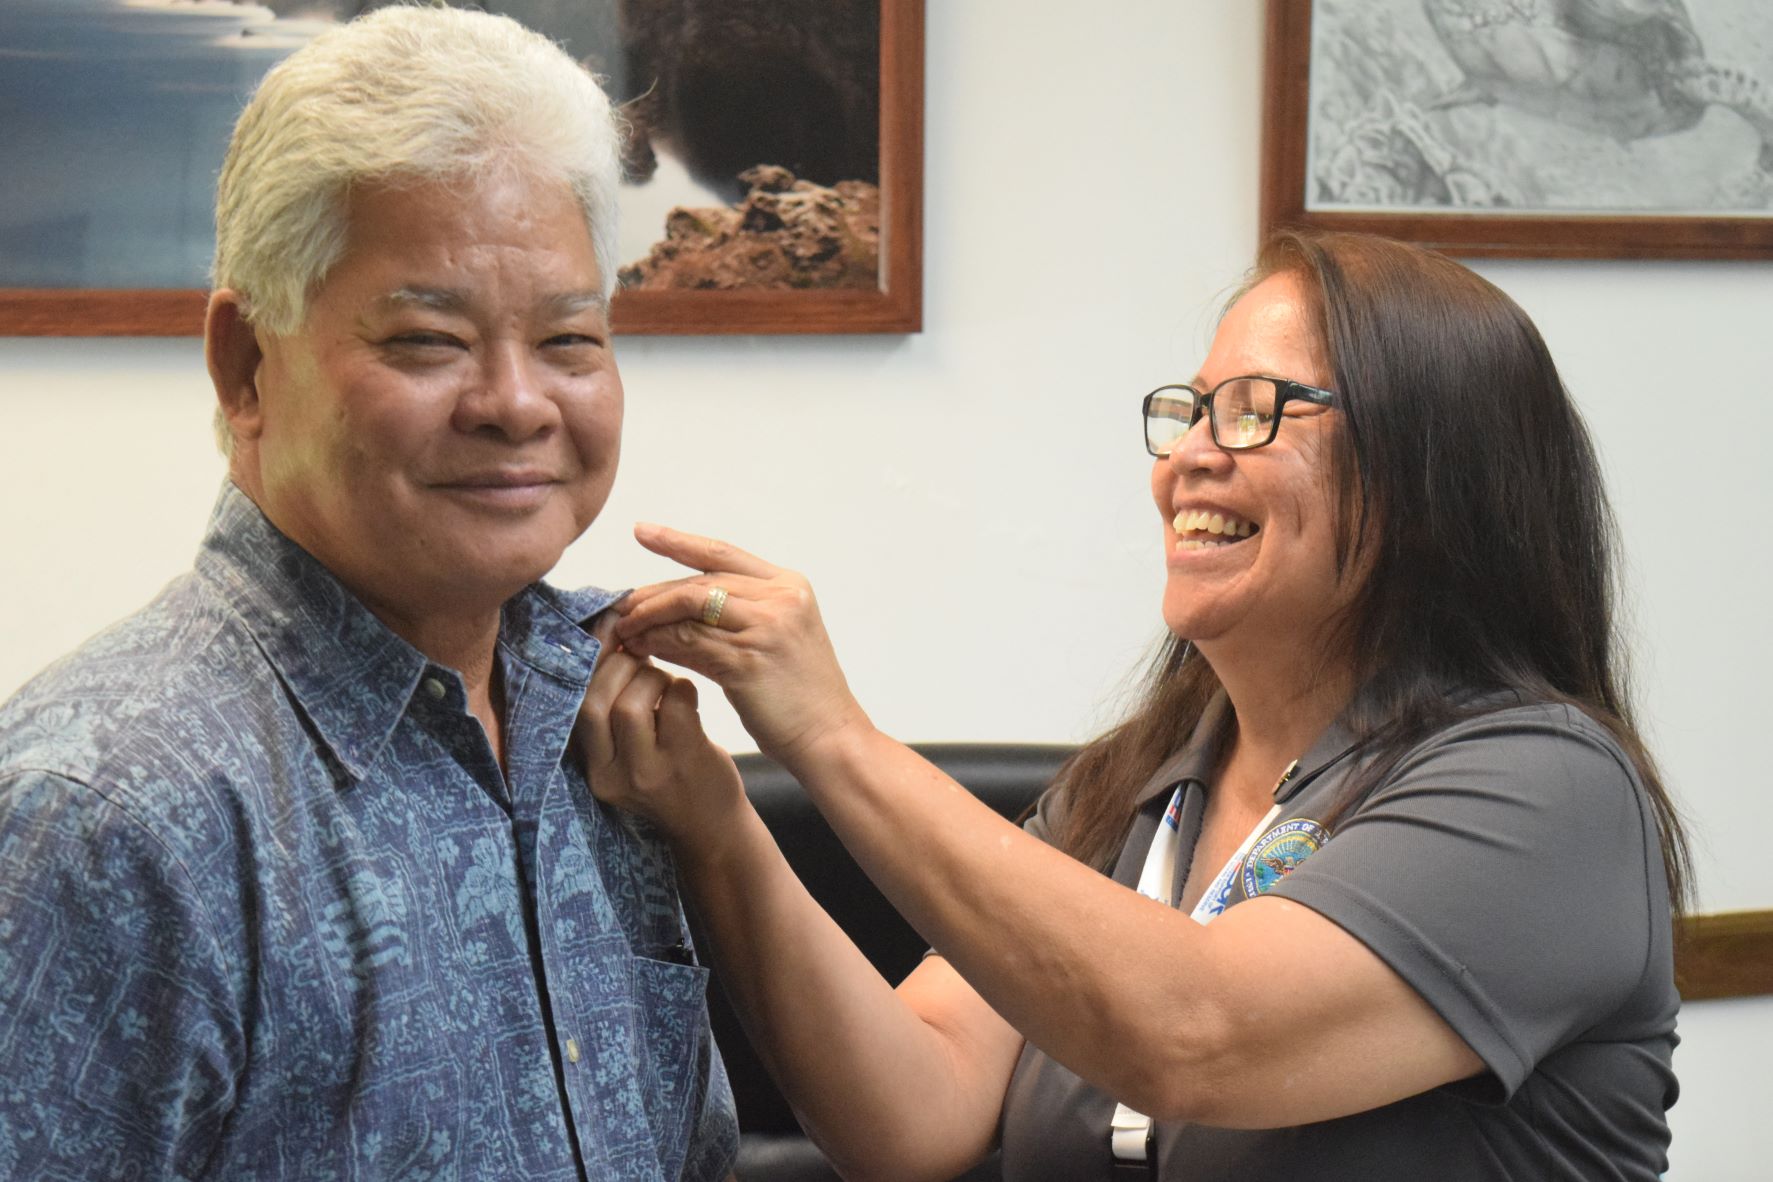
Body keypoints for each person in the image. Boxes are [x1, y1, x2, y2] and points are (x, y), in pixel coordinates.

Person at [581, 231, 1689, 1180]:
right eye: (1191, 411)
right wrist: (717, 822)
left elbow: (1199, 1033)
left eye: (1255, 412)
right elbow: (917, 1112)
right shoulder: (1129, 789)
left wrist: (832, 736)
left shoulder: (1549, 793)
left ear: (1429, 475)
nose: (1190, 460)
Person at [0, 8, 735, 1179]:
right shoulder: (111, 816)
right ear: (247, 366)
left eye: (571, 340)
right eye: (428, 338)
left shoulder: (605, 726)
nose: (517, 403)